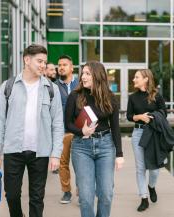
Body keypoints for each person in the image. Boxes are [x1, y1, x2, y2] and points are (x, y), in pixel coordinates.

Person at [0, 44, 64, 217]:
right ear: (27, 60)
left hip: (41, 152)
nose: (43, 66)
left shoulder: (51, 89)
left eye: (45, 62)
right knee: (12, 195)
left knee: (37, 198)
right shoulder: (8, 87)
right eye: (39, 61)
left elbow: (58, 124)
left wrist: (56, 154)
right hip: (13, 151)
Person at [65, 61, 124, 217]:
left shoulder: (110, 98)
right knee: (86, 197)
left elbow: (116, 128)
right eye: (82, 73)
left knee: (106, 194)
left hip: (105, 146)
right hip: (81, 147)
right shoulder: (75, 96)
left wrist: (119, 154)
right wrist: (80, 130)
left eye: (87, 74)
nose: (83, 77)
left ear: (97, 76)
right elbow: (67, 124)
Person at [126, 69, 168, 212]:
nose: (133, 80)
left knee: (155, 169)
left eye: (136, 77)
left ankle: (151, 186)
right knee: (140, 168)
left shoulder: (157, 96)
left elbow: (164, 113)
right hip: (138, 133)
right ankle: (144, 198)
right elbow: (129, 116)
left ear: (145, 79)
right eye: (134, 77)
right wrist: (139, 117)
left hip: (153, 135)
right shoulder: (132, 97)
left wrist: (149, 116)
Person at [54, 55, 79, 204]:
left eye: (64, 64)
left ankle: (82, 191)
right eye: (59, 64)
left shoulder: (80, 84)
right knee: (63, 163)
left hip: (79, 131)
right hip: (62, 132)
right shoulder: (54, 86)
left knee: (81, 164)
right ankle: (66, 192)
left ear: (72, 67)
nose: (61, 67)